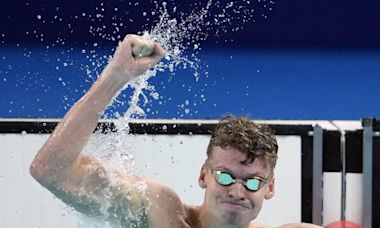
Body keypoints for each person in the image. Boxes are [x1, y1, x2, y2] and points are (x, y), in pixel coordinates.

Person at [30, 34, 321, 228]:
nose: (236, 190)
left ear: (270, 188)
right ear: (203, 175)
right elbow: (49, 170)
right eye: (224, 176)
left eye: (253, 182)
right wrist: (115, 77)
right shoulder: (160, 213)